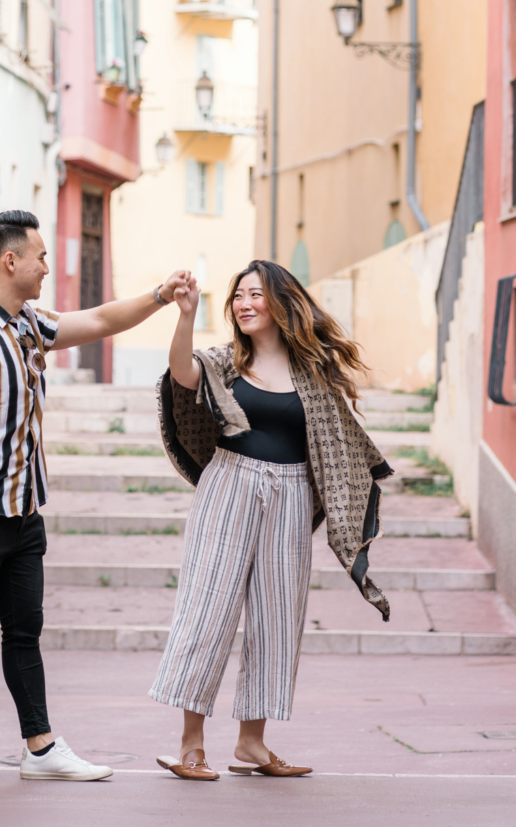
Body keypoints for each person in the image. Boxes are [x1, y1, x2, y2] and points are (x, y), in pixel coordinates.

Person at [0, 208, 192, 785]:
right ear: (9, 260)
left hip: (23, 510)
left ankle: (40, 748)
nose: (48, 266)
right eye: (40, 257)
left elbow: (96, 319)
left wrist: (160, 295)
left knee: (25, 632)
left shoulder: (27, 324)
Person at [150, 260, 392, 782]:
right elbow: (181, 375)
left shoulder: (314, 374)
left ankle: (252, 743)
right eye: (238, 296)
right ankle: (191, 745)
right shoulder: (224, 363)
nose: (244, 303)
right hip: (230, 484)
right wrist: (185, 315)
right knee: (208, 607)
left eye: (255, 294)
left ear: (280, 302)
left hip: (291, 493)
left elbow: (338, 439)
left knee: (277, 617)